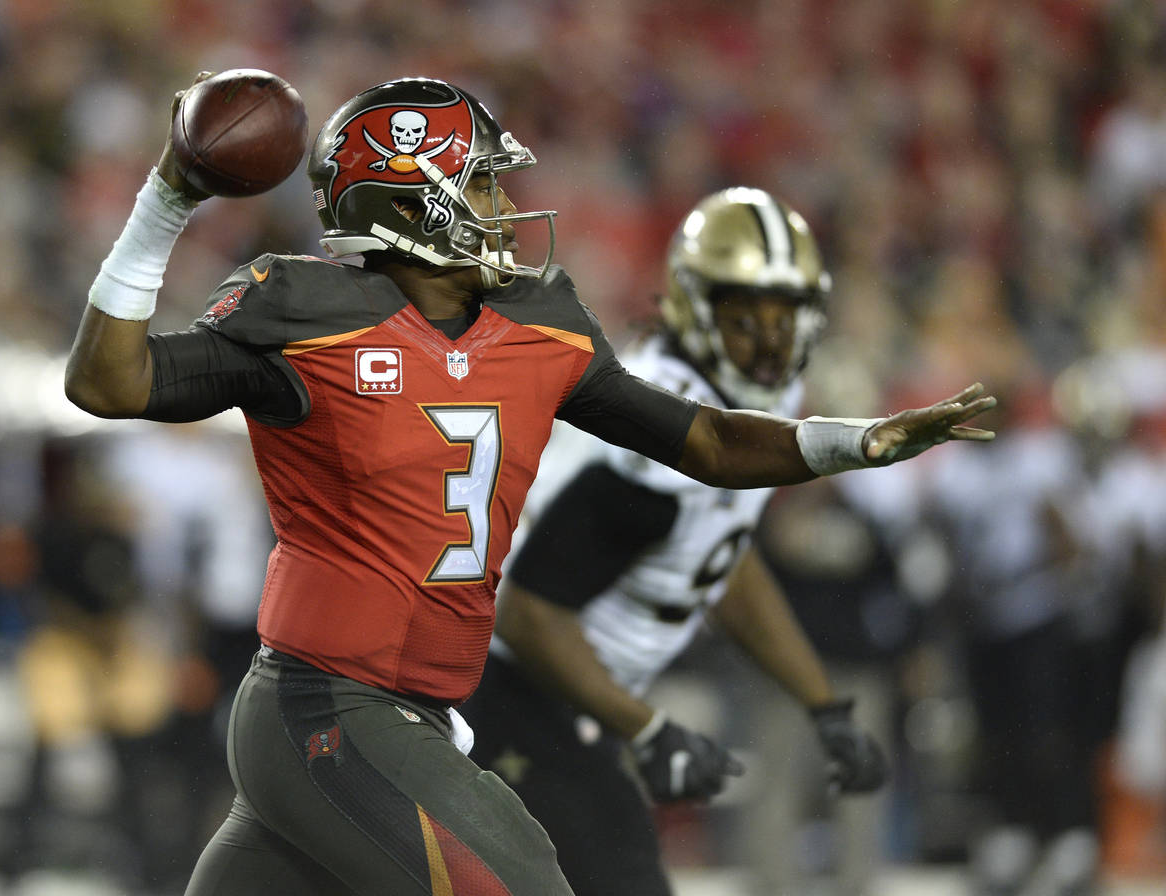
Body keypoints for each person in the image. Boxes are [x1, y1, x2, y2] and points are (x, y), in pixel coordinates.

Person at [64, 74, 996, 896]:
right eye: (482, 183)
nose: (506, 207)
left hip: (404, 710)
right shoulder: (307, 312)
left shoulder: (537, 324)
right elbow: (108, 383)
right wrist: (169, 198)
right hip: (326, 704)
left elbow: (707, 440)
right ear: (414, 202)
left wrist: (855, 442)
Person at [459, 186, 888, 896]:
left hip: (569, 699)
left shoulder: (743, 404)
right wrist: (647, 727)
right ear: (696, 307)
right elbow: (528, 613)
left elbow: (720, 560)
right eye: (745, 319)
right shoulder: (656, 445)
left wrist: (822, 703)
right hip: (509, 691)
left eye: (785, 317)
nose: (770, 343)